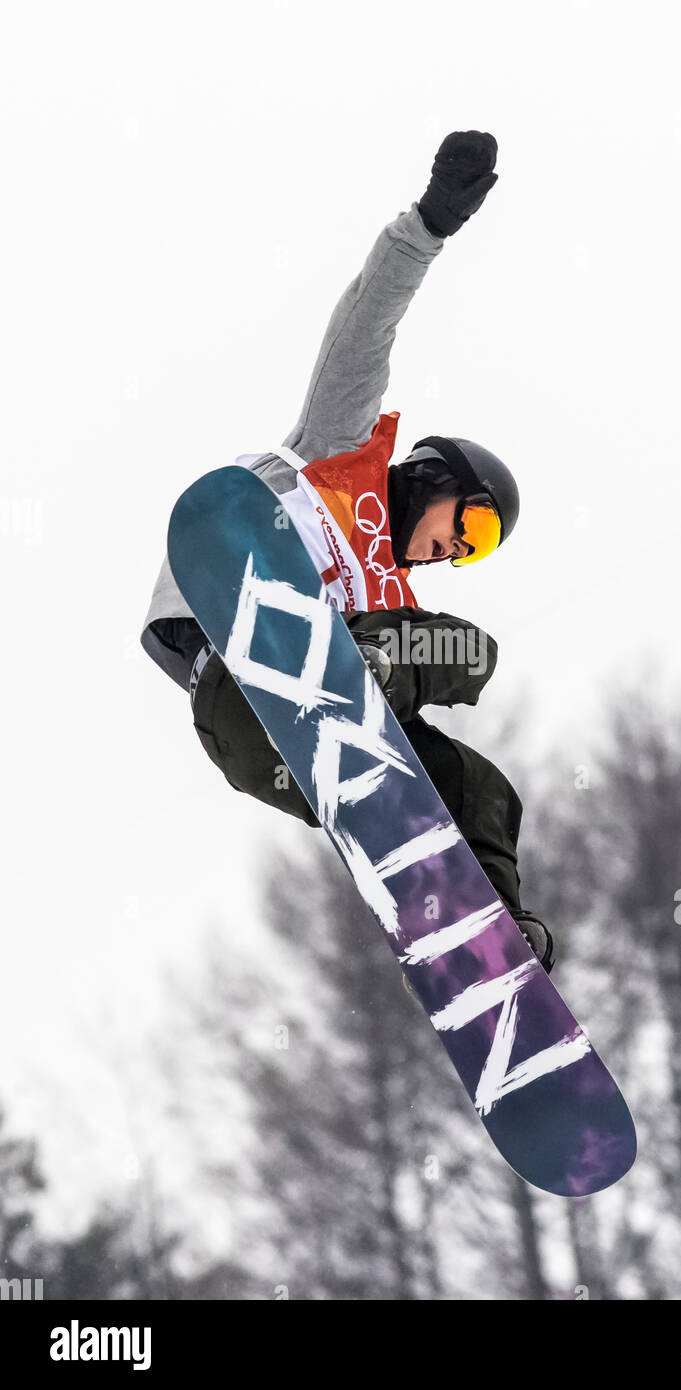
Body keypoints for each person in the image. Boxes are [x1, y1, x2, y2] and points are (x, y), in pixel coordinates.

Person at [141, 131, 554, 972]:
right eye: (466, 529)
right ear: (437, 478)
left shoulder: (395, 596)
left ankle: (490, 936)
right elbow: (367, 320)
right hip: (237, 662)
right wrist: (431, 223)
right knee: (447, 642)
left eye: (471, 554)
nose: (452, 553)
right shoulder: (345, 451)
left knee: (477, 779)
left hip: (279, 751)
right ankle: (344, 681)